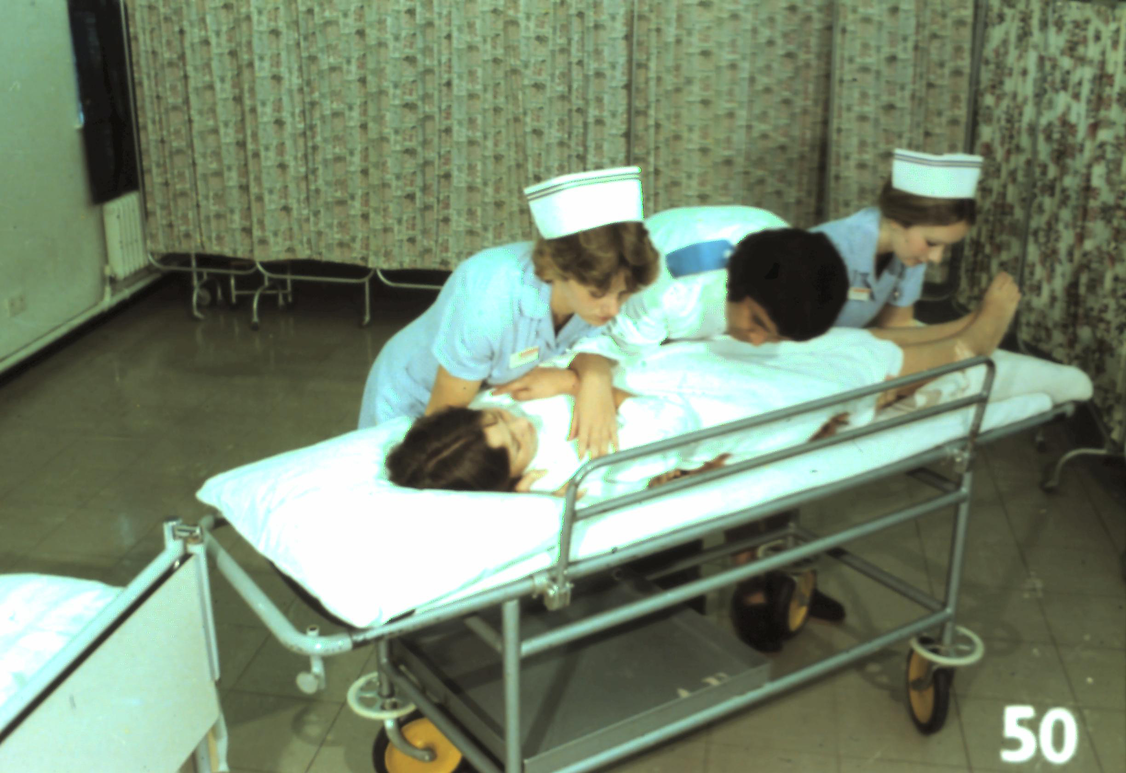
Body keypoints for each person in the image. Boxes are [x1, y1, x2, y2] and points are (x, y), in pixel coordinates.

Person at [357, 167, 660, 428]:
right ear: (559, 268)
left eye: (624, 294)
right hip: (414, 393)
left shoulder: (604, 292)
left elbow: (593, 346)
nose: (613, 309)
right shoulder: (489, 298)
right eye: (597, 294)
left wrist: (594, 378)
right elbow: (441, 427)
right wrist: (575, 382)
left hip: (486, 396)